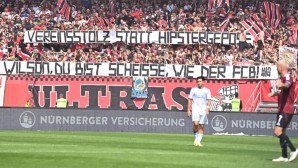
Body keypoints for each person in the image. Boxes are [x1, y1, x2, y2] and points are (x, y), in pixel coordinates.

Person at [268, 60, 298, 162]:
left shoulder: (287, 77)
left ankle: (293, 150)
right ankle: (284, 156)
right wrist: (274, 94)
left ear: (281, 68)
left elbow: (287, 85)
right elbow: (282, 91)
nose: (276, 69)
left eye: (277, 67)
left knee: (277, 131)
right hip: (282, 109)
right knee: (282, 132)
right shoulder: (282, 78)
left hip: (286, 109)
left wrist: (281, 84)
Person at [187, 77, 211, 147]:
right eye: (197, 81)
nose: (199, 83)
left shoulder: (207, 90)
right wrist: (188, 109)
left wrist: (207, 108)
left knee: (202, 126)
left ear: (203, 82)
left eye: (200, 81)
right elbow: (190, 99)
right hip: (195, 109)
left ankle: (198, 141)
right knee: (196, 124)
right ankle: (196, 138)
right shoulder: (193, 90)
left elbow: (209, 100)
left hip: (203, 109)